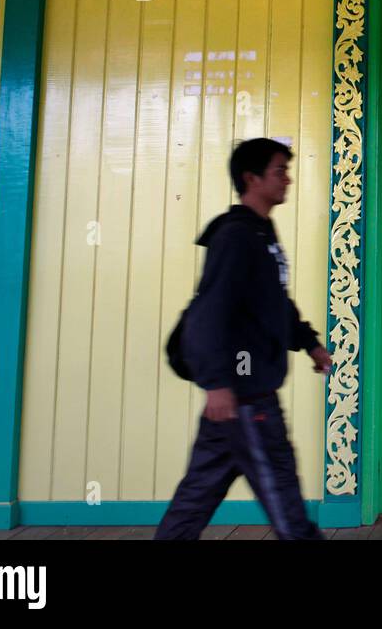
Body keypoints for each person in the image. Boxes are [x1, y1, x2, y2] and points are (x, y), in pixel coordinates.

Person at [155, 138, 332, 540]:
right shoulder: (236, 236)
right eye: (279, 171)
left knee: (196, 497)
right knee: (284, 499)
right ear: (251, 179)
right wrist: (216, 382)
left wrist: (310, 343)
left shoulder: (259, 232)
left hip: (238, 401)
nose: (287, 179)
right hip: (246, 397)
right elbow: (209, 313)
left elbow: (274, 303)